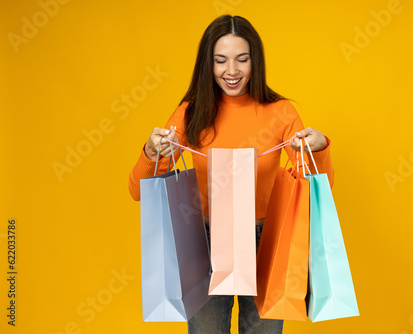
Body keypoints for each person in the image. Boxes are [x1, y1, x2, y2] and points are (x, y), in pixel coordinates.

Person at [128, 15, 334, 334]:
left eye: (242, 59)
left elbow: (319, 187)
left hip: (268, 240)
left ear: (256, 60)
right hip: (205, 240)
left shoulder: (280, 112)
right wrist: (152, 152)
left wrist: (318, 149)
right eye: (220, 60)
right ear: (207, 64)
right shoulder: (191, 111)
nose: (232, 71)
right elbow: (139, 191)